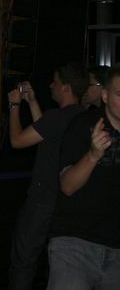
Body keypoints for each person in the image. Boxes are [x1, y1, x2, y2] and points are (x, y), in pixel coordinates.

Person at [6, 63, 88, 290]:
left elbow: (17, 140)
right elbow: (46, 133)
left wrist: (14, 105)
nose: (51, 85)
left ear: (66, 87)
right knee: (58, 262)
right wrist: (32, 102)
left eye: (55, 82)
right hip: (68, 202)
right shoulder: (83, 116)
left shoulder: (56, 117)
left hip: (42, 199)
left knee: (23, 262)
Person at [47, 66, 120, 289]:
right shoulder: (84, 125)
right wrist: (93, 155)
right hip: (76, 243)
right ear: (105, 96)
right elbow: (67, 186)